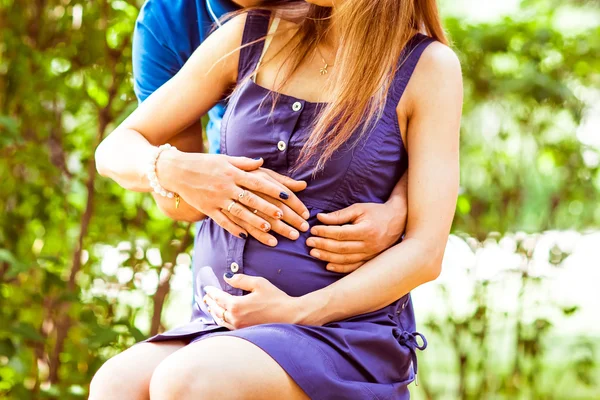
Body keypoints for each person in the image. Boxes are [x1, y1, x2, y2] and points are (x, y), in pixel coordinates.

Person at [91, 0, 462, 399]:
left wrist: (299, 311)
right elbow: (113, 150)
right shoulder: (250, 33)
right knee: (116, 385)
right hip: (220, 323)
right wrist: (173, 167)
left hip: (339, 332)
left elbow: (426, 252)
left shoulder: (430, 67)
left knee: (188, 380)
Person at [132, 0, 411, 271]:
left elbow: (426, 126)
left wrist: (400, 211)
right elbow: (175, 199)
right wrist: (183, 172)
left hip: (352, 267)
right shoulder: (166, 21)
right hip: (230, 260)